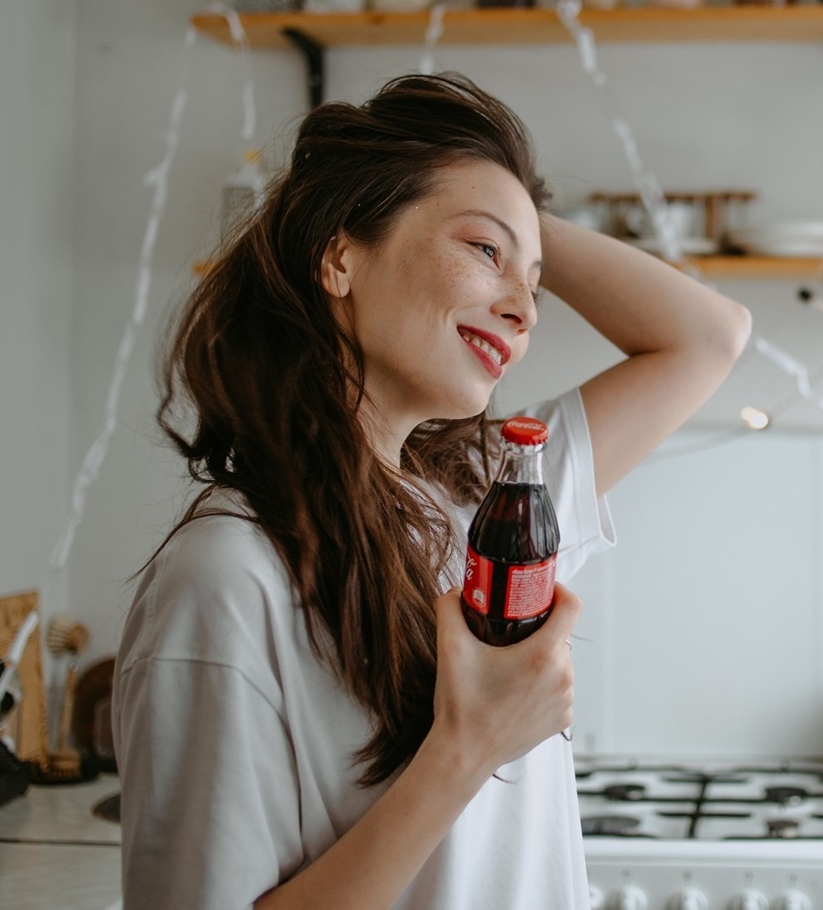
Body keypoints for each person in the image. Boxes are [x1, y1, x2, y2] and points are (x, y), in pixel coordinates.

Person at [114, 73, 751, 910]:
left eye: (533, 280)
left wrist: (512, 221)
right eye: (482, 252)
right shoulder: (227, 577)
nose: (526, 307)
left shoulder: (483, 499)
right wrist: (468, 746)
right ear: (338, 255)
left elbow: (707, 336)